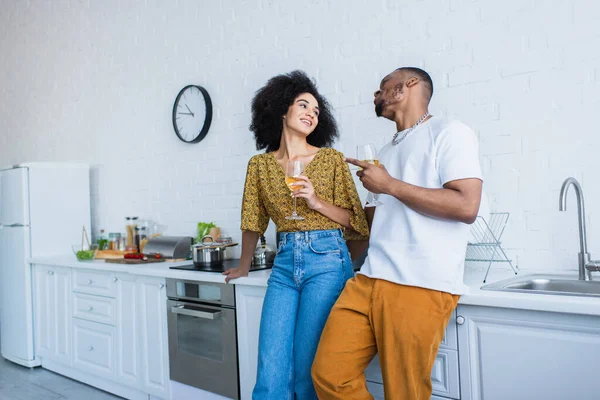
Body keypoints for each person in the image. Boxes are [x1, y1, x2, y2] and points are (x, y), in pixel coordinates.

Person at [312, 67, 483, 400]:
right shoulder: (385, 153)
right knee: (329, 375)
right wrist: (321, 213)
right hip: (369, 280)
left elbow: (466, 207)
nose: (376, 96)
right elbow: (371, 224)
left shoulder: (450, 132)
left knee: (405, 393)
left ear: (409, 85)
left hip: (419, 285)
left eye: (382, 88)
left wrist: (388, 185)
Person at [223, 70, 369, 400]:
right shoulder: (259, 166)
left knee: (307, 368)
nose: (310, 114)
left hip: (327, 261)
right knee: (270, 367)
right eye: (303, 106)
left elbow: (356, 222)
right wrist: (244, 266)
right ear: (281, 109)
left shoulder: (330, 159)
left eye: (316, 111)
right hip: (285, 263)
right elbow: (252, 220)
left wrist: (316, 201)